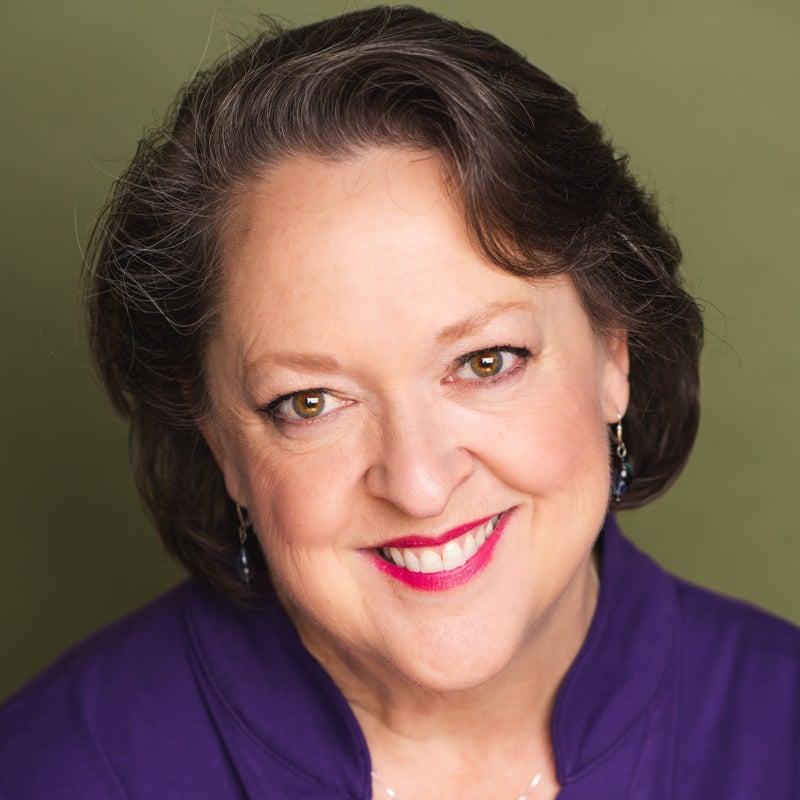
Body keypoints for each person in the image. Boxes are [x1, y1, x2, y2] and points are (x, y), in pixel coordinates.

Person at [1, 6, 798, 798]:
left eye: (486, 362)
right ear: (218, 439)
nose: (418, 485)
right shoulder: (53, 773)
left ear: (613, 353)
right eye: (310, 402)